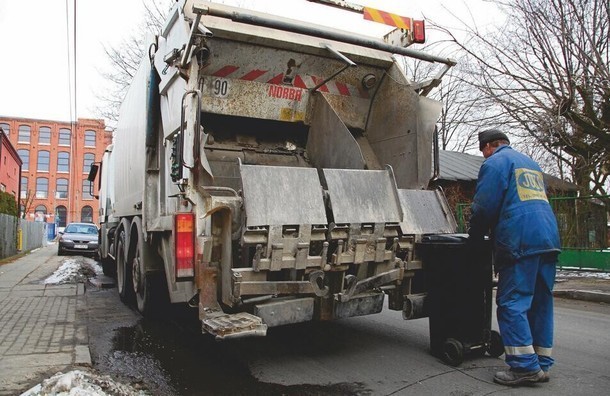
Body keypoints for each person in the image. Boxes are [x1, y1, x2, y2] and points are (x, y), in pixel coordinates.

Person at [468, 129, 561, 386]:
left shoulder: (495, 163)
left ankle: (523, 367)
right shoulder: (530, 164)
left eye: (482, 150)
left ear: (488, 146)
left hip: (520, 240)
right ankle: (540, 362)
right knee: (541, 301)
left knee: (512, 303)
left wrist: (474, 236)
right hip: (548, 238)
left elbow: (485, 205)